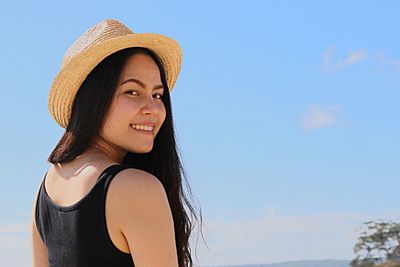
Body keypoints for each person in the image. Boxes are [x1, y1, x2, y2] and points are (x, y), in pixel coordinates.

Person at [30, 18, 203, 267]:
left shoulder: (46, 188)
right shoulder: (137, 189)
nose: (153, 108)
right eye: (132, 92)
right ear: (93, 99)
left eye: (157, 94)